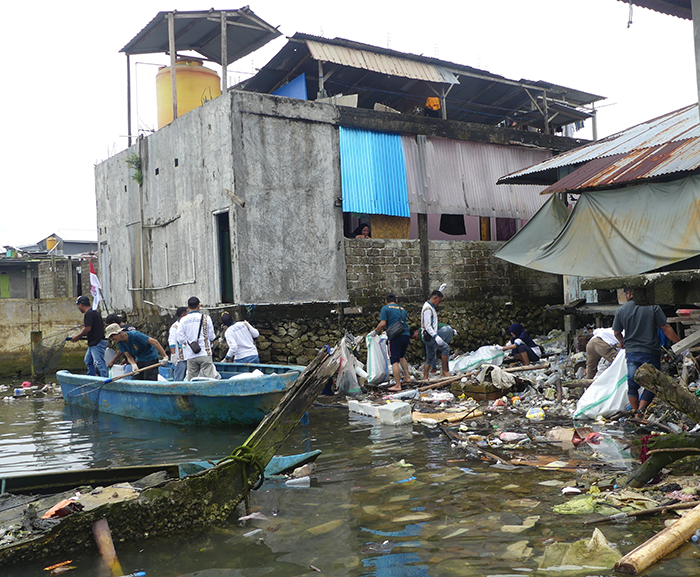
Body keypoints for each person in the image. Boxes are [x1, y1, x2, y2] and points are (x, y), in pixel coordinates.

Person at [613, 287, 681, 412]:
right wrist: (681, 344)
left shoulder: (621, 310)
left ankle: (635, 412)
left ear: (629, 294)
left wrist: (622, 342)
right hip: (650, 351)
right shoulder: (653, 307)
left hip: (632, 352)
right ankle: (641, 409)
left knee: (632, 382)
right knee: (651, 382)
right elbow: (665, 328)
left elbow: (617, 332)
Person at [371, 293, 411, 391]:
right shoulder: (402, 309)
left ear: (386, 301)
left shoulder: (385, 308)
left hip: (395, 336)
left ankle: (397, 385)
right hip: (406, 334)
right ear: (396, 300)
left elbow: (382, 324)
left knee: (394, 360)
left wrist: (374, 332)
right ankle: (407, 377)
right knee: (402, 356)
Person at [177, 296, 219, 380]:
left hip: (190, 354)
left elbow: (180, 338)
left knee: (192, 380)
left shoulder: (183, 320)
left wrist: (187, 342)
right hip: (204, 353)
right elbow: (211, 336)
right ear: (199, 306)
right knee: (210, 379)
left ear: (188, 307)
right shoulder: (206, 318)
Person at [70, 295, 109, 377]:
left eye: (78, 306)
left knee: (99, 363)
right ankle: (91, 377)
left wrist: (78, 336)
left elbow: (87, 329)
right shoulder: (94, 312)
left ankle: (105, 380)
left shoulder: (89, 314)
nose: (78, 308)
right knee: (88, 361)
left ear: (81, 305)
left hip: (97, 342)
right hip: (93, 343)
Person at [421, 289, 449, 379]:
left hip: (428, 335)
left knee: (430, 356)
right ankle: (445, 372)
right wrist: (436, 336)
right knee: (445, 348)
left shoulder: (430, 306)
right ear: (435, 298)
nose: (439, 303)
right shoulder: (428, 309)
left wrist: (440, 290)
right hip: (429, 335)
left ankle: (425, 376)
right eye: (439, 301)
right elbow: (428, 326)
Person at [169, 306, 188, 381]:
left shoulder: (186, 325)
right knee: (179, 378)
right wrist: (173, 355)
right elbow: (172, 341)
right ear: (183, 315)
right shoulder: (175, 327)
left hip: (189, 356)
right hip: (180, 358)